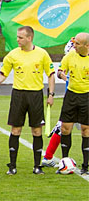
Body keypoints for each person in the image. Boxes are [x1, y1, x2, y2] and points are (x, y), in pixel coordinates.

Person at [0, 26, 55, 175]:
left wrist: (51, 94)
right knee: (15, 130)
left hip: (36, 95)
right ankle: (12, 166)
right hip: (18, 95)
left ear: (29, 38)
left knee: (36, 130)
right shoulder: (12, 55)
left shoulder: (42, 54)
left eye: (20, 37)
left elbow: (50, 74)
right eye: (17, 37)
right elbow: (4, 73)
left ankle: (37, 166)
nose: (17, 39)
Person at [42, 37, 81, 167]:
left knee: (62, 128)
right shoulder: (72, 58)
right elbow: (61, 72)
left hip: (77, 100)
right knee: (62, 128)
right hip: (75, 100)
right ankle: (48, 157)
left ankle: (48, 157)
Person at [56, 32, 89, 175]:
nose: (74, 46)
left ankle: (86, 166)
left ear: (87, 46)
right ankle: (64, 162)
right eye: (74, 42)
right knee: (65, 129)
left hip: (87, 96)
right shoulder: (70, 55)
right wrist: (61, 74)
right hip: (71, 95)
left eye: (77, 44)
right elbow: (59, 70)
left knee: (85, 130)